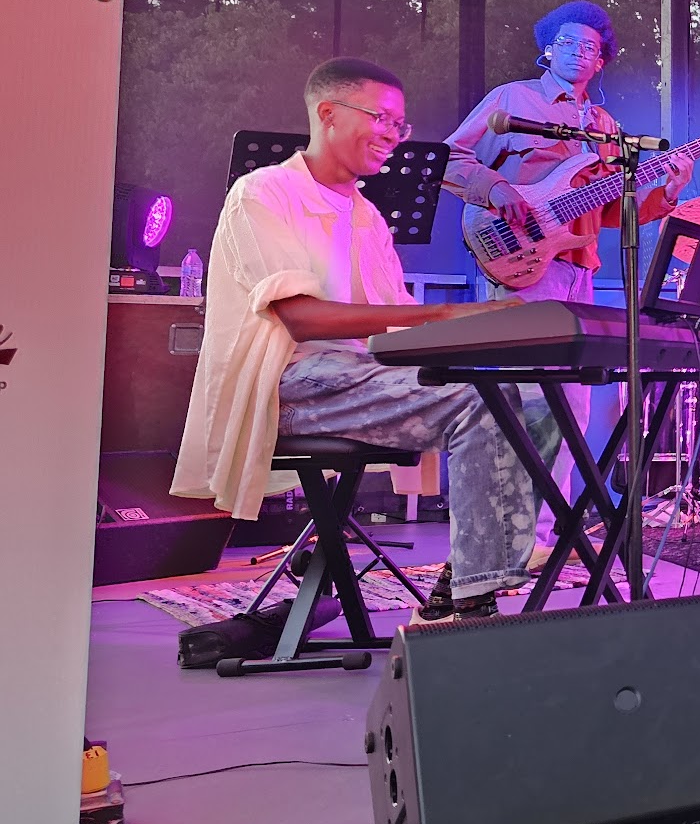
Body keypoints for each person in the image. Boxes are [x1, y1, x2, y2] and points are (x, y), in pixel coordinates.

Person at [173, 58, 553, 622]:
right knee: (482, 402)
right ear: (328, 113)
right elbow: (300, 319)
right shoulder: (263, 193)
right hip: (290, 382)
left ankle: (467, 575)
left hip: (359, 375)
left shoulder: (367, 214)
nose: (393, 136)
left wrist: (487, 331)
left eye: (400, 125)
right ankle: (475, 598)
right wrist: (448, 313)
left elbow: (395, 319)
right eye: (382, 118)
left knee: (538, 399)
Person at [444, 2, 692, 550]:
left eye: (591, 47)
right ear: (547, 49)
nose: (580, 52)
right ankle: (505, 538)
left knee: (570, 406)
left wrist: (668, 192)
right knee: (526, 399)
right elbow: (450, 160)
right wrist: (499, 190)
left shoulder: (606, 128)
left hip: (580, 269)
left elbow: (613, 210)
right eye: (569, 42)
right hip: (521, 261)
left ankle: (544, 536)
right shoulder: (514, 100)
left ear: (601, 63)